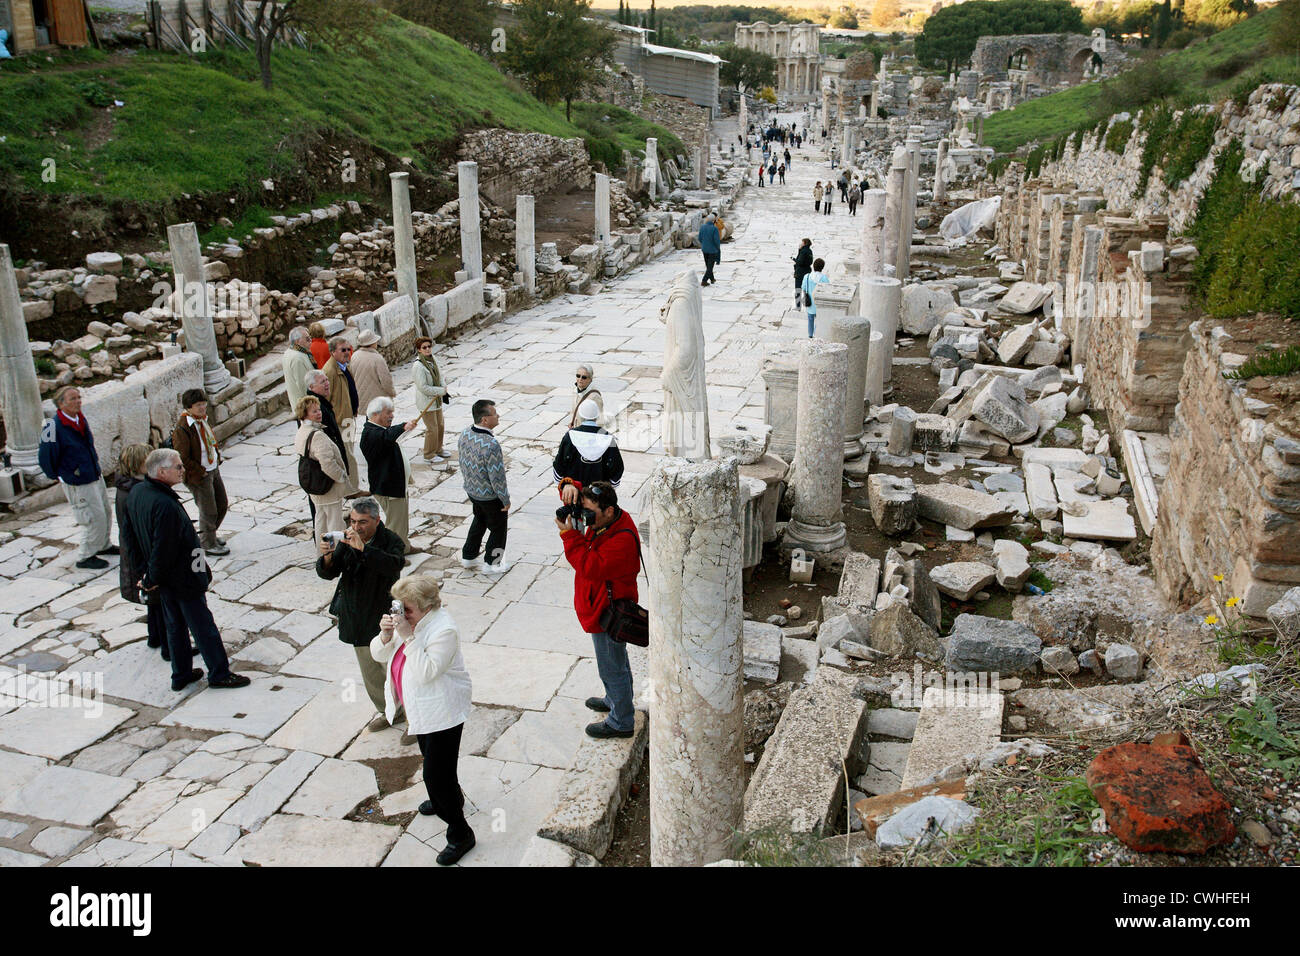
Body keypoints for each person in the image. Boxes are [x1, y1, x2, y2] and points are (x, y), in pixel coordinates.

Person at [125, 449, 249, 692]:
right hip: (181, 577)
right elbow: (165, 547)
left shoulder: (137, 492)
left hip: (163, 578)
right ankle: (219, 673)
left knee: (175, 625)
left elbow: (130, 538)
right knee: (203, 626)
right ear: (162, 472)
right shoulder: (164, 505)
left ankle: (180, 674)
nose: (183, 471)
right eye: (178, 467)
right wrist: (153, 576)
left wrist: (144, 574)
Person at [373, 574, 474, 865]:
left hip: (443, 711)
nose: (401, 614)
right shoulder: (410, 623)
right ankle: (444, 798)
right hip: (420, 709)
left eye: (407, 609)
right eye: (398, 607)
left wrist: (407, 636)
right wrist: (386, 635)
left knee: (435, 774)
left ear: (426, 607)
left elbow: (427, 672)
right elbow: (380, 654)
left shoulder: (444, 630)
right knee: (433, 759)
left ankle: (459, 831)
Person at [556, 481, 641, 739]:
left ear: (609, 511)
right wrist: (568, 486)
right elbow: (576, 494)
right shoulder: (606, 521)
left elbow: (589, 566)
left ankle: (621, 721)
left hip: (609, 613)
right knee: (616, 662)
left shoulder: (622, 539)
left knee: (611, 666)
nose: (586, 519)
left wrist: (569, 536)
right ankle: (615, 699)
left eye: (590, 514)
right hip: (600, 607)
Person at [316, 496, 406, 730]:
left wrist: (364, 549)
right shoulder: (347, 540)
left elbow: (393, 565)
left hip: (382, 614)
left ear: (377, 520)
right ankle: (387, 710)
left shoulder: (390, 540)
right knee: (370, 670)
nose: (356, 527)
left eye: (363, 522)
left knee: (396, 669)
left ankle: (413, 715)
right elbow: (330, 572)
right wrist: (326, 556)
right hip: (356, 614)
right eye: (353, 521)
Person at [38, 387, 116, 570]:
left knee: (105, 511)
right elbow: (45, 455)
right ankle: (85, 556)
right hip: (77, 480)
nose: (78, 401)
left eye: (79, 397)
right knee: (91, 517)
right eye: (73, 398)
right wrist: (61, 475)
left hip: (93, 473)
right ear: (61, 403)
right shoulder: (50, 425)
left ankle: (103, 545)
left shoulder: (80, 418)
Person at [115, 443, 179, 663]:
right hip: (143, 553)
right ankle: (170, 648)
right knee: (161, 603)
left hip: (139, 553)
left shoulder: (127, 488)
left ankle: (154, 638)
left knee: (154, 603)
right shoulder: (135, 492)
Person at [172, 388, 229, 556]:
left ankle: (209, 535)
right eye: (198, 405)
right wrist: (201, 471)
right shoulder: (183, 429)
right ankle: (207, 543)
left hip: (212, 469)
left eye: (203, 404)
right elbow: (182, 457)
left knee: (221, 504)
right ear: (189, 408)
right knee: (208, 510)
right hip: (199, 475)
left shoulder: (202, 420)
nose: (203, 408)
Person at [457, 400, 510, 573]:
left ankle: (469, 556)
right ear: (485, 419)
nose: (498, 415)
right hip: (489, 496)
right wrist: (505, 499)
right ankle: (493, 563)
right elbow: (497, 477)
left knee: (479, 520)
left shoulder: (465, 434)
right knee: (499, 528)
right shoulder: (490, 444)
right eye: (494, 413)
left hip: (472, 490)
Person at [361, 397, 417, 551]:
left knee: (402, 520)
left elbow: (393, 438)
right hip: (388, 487)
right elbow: (386, 437)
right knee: (395, 523)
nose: (392, 415)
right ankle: (394, 553)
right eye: (388, 413)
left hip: (396, 485)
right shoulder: (370, 433)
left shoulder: (380, 430)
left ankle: (404, 546)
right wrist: (403, 426)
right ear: (376, 414)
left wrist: (406, 429)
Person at [294, 394, 348, 547]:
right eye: (314, 411)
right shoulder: (317, 435)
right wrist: (341, 477)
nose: (319, 413)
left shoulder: (302, 430)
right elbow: (327, 463)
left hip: (314, 484)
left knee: (321, 520)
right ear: (305, 414)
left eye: (319, 410)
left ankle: (323, 553)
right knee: (334, 522)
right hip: (327, 486)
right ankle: (335, 553)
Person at [553, 399, 624, 504]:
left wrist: (564, 485)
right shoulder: (608, 438)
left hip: (574, 495)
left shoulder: (570, 436)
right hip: (599, 497)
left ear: (580, 415)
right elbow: (617, 469)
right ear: (597, 416)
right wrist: (609, 488)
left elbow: (559, 466)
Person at [307, 369, 361, 497]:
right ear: (312, 387)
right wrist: (339, 475)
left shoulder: (322, 403)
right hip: (323, 475)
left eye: (327, 380)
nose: (327, 384)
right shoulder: (314, 408)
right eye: (322, 382)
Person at [412, 336, 448, 465]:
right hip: (427, 402)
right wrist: (440, 391)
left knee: (440, 426)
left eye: (429, 346)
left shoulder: (433, 359)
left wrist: (443, 386)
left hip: (437, 401)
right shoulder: (418, 366)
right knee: (432, 428)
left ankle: (438, 449)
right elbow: (423, 387)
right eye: (424, 347)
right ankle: (428, 454)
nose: (427, 349)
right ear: (419, 350)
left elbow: (440, 375)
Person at [350, 330, 395, 426]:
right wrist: (392, 392)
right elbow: (386, 381)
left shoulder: (354, 356)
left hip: (362, 397)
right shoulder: (377, 358)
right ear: (372, 343)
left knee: (370, 422)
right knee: (382, 425)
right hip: (378, 398)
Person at [322, 336, 359, 429]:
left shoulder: (345, 366)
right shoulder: (329, 371)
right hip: (340, 422)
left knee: (349, 443)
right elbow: (325, 399)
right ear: (333, 352)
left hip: (348, 417)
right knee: (346, 443)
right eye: (343, 350)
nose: (347, 352)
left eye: (348, 349)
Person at [283, 326, 316, 412]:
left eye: (310, 338)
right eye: (307, 339)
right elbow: (303, 385)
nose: (310, 341)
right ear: (298, 341)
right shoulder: (297, 358)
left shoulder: (290, 352)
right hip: (306, 408)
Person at [801, 257, 830, 338]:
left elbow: (803, 287)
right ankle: (818, 334)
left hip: (809, 302)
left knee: (810, 320)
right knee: (820, 320)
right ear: (822, 267)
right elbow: (827, 289)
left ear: (813, 266)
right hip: (819, 303)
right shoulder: (824, 278)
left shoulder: (807, 276)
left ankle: (810, 335)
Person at [698, 212, 721, 287]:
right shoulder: (714, 228)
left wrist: (704, 243)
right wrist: (718, 248)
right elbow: (716, 240)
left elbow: (699, 238)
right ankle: (704, 281)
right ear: (714, 220)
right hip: (712, 250)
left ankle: (712, 279)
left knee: (708, 265)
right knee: (710, 266)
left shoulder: (702, 227)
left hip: (704, 249)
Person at [793, 238, 813, 307]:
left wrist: (795, 260)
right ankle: (807, 303)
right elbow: (810, 262)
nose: (800, 244)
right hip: (807, 272)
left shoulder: (803, 251)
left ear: (804, 243)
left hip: (800, 273)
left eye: (801, 242)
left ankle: (798, 305)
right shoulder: (810, 251)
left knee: (798, 289)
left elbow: (800, 262)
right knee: (805, 288)